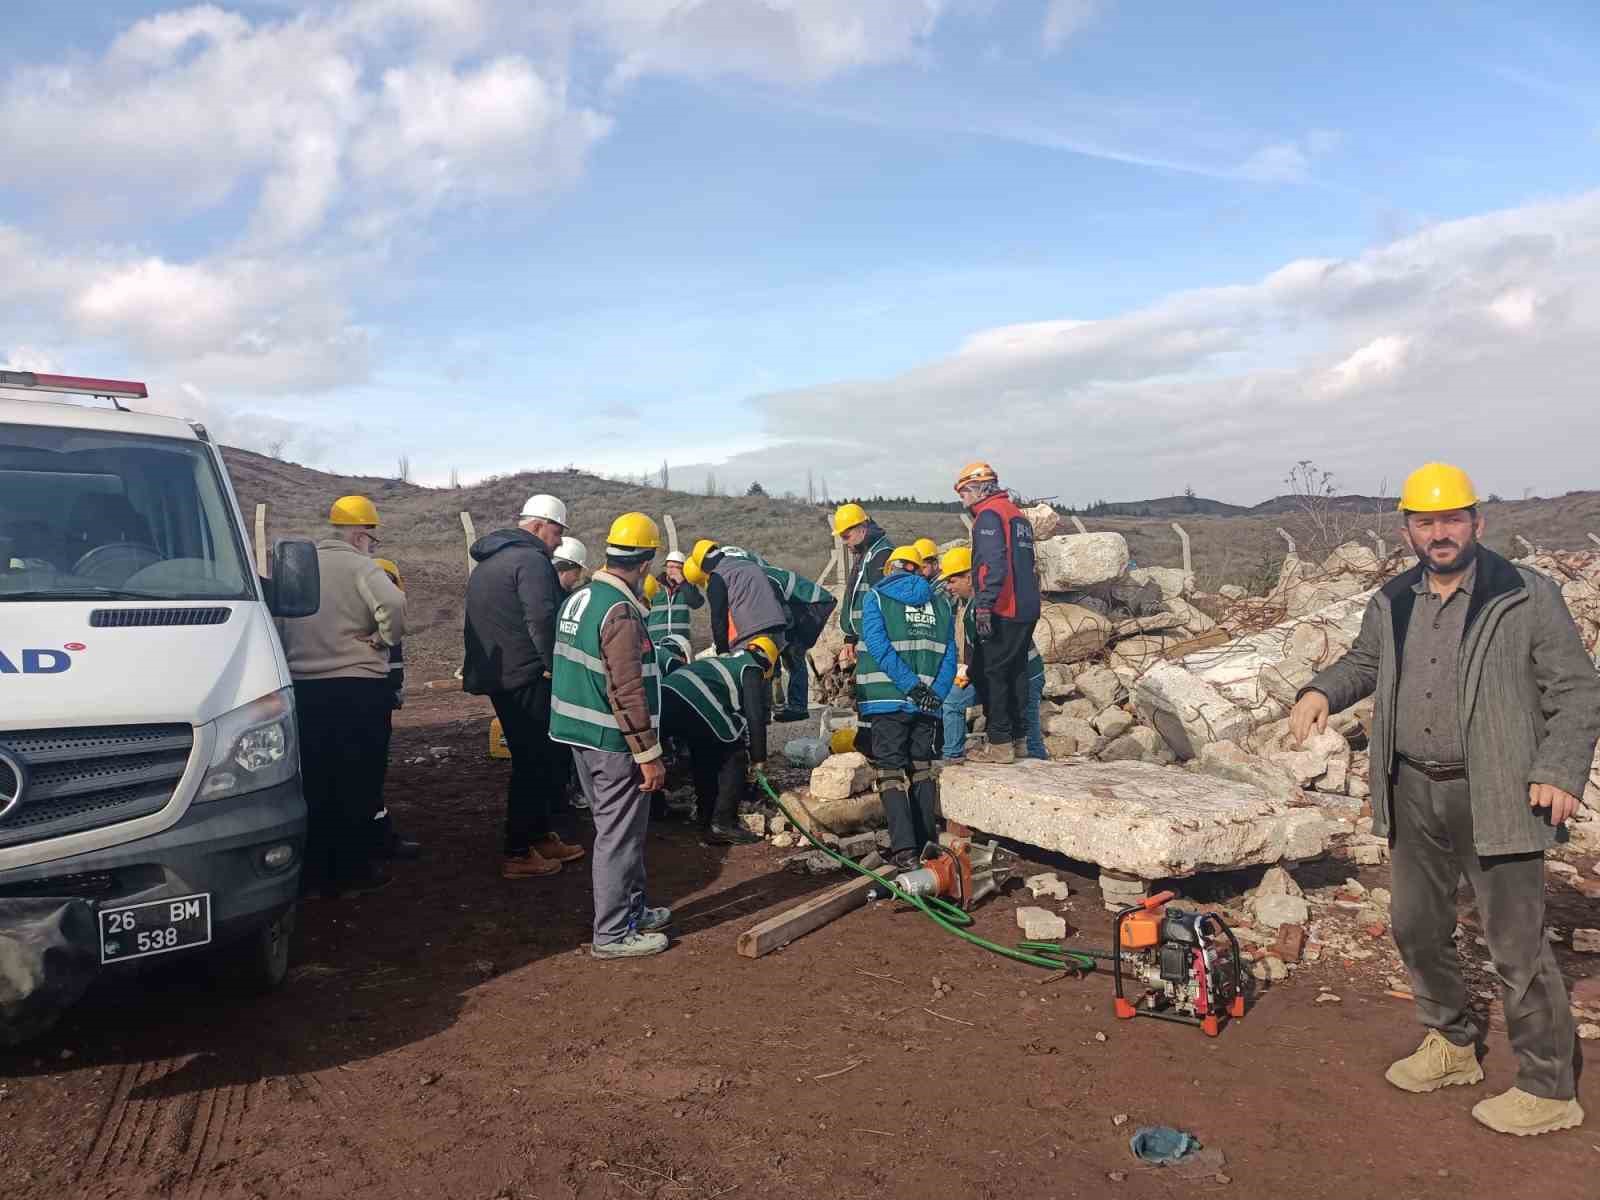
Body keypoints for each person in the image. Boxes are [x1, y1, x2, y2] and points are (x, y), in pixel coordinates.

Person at [1288, 462, 1600, 1137]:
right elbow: (1366, 664)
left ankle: (1549, 1088)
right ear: (1407, 529)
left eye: (1451, 519)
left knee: (1515, 944)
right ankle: (1452, 1043)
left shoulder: (1525, 594)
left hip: (1501, 791)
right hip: (1414, 789)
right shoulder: (1395, 598)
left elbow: (1577, 690)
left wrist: (1561, 770)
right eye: (1425, 522)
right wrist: (1320, 690)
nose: (1439, 533)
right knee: (1416, 926)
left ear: (1476, 523)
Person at [550, 513, 674, 960]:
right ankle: (614, 933)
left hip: (580, 733)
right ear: (645, 563)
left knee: (618, 830)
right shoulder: (618, 610)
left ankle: (631, 910)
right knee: (618, 836)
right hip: (612, 741)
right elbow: (626, 687)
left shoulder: (580, 598)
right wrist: (648, 752)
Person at [277, 495, 406, 897]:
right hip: (356, 686)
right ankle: (351, 870)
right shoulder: (359, 565)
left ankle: (315, 872)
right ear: (359, 533)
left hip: (304, 688)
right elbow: (394, 604)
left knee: (315, 779)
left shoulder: (299, 566)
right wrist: (382, 639)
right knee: (355, 778)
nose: (373, 545)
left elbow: (280, 620)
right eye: (372, 538)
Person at [462, 493, 585, 879]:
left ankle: (538, 836)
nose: (559, 541)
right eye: (557, 532)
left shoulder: (490, 562)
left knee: (538, 757)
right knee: (535, 761)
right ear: (537, 526)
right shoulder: (531, 560)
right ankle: (517, 852)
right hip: (526, 674)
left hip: (500, 675)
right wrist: (556, 667)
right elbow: (541, 619)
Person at [857, 545, 957, 869]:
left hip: (888, 698)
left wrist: (909, 687)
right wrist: (934, 694)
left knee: (890, 772)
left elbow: (878, 647)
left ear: (890, 569)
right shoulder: (941, 604)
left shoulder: (876, 598)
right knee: (922, 768)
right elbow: (950, 656)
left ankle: (904, 851)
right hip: (928, 702)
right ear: (918, 568)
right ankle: (928, 846)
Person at [953, 462, 1039, 764]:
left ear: (979, 487)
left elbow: (993, 564)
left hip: (1004, 605)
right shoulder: (1017, 516)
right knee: (1016, 672)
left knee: (992, 674)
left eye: (964, 490)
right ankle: (1019, 740)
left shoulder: (989, 516)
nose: (962, 497)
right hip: (1027, 607)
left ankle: (1000, 743)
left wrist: (985, 605)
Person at [657, 634, 779, 845]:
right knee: (734, 753)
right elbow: (755, 716)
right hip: (694, 696)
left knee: (706, 752)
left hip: (666, 696)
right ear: (768, 663)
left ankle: (706, 818)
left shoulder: (726, 661)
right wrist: (758, 758)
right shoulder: (751, 667)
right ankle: (723, 822)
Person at [937, 546, 1047, 762]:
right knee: (1025, 725)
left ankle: (952, 756)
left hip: (1023, 672)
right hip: (1008, 671)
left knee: (1029, 728)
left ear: (969, 578)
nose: (948, 587)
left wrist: (969, 673)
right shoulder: (978, 602)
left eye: (952, 580)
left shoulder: (983, 605)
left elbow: (989, 651)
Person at [834, 503, 895, 757]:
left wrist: (872, 638)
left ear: (861, 528)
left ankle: (876, 748)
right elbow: (856, 598)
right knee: (865, 691)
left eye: (847, 536)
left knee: (874, 692)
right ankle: (869, 745)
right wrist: (850, 636)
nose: (845, 542)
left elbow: (883, 603)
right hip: (864, 638)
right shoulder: (867, 553)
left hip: (875, 639)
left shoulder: (882, 555)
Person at [372, 558, 421, 860]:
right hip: (371, 695)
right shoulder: (385, 614)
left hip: (374, 694)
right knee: (370, 768)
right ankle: (377, 835)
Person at [759, 558, 838, 723]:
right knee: (789, 651)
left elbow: (783, 612)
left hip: (812, 604)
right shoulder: (761, 574)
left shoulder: (764, 580)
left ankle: (797, 706)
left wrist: (782, 638)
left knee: (794, 652)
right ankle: (791, 706)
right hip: (803, 605)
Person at [685, 539, 789, 657]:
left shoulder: (718, 577)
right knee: (771, 670)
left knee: (748, 671)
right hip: (777, 628)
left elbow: (718, 617)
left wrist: (722, 650)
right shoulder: (749, 564)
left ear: (704, 566)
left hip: (751, 634)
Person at [647, 550, 704, 647]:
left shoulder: (688, 587)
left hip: (680, 643)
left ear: (683, 569)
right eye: (669, 566)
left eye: (676, 567)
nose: (672, 570)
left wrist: (682, 583)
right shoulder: (655, 585)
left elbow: (696, 603)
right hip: (656, 642)